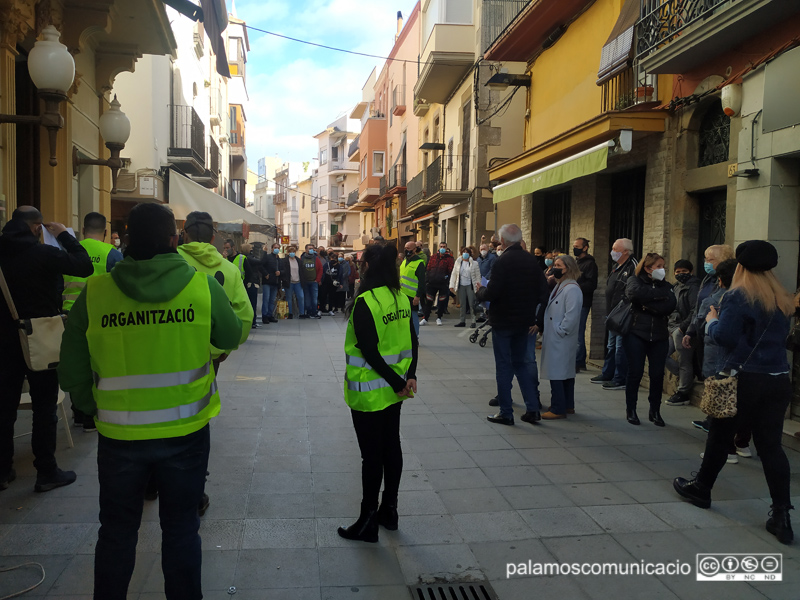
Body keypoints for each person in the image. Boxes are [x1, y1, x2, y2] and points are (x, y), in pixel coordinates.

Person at [58, 202, 242, 597]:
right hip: (186, 434)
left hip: (120, 438)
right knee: (180, 530)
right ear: (175, 240)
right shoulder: (201, 285)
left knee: (116, 533)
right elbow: (229, 337)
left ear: (124, 241)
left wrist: (92, 409)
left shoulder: (95, 293)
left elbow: (71, 371)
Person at [673, 241, 795, 545]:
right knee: (770, 446)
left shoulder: (738, 295)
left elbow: (725, 337)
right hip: (778, 379)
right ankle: (781, 514)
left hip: (744, 378)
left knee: (720, 434)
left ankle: (701, 487)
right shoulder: (782, 298)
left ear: (739, 265)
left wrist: (711, 321)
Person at [0, 207, 92, 493]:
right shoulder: (42, 254)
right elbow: (83, 265)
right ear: (37, 228)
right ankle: (46, 470)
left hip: (3, 341)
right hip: (39, 336)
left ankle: (2, 470)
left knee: (3, 406)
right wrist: (65, 235)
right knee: (44, 406)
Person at [338, 243, 418, 543]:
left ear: (369, 266)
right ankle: (390, 510)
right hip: (394, 391)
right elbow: (413, 339)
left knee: (371, 456)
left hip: (371, 392)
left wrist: (397, 380)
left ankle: (368, 520)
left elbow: (369, 351)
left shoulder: (366, 301)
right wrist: (408, 376)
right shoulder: (400, 297)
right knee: (391, 448)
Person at [477, 224, 549, 426]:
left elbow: (493, 292)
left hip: (504, 322)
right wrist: (536, 318)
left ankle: (506, 412)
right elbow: (543, 292)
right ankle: (532, 409)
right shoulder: (532, 261)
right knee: (522, 365)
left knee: (503, 365)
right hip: (525, 322)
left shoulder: (503, 261)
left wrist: (480, 290)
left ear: (503, 240)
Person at [62, 212, 124, 431]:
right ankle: (91, 415)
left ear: (83, 229)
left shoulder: (69, 251)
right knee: (96, 361)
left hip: (68, 315)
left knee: (75, 359)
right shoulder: (112, 254)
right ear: (106, 233)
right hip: (100, 315)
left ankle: (78, 413)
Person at [177, 212, 252, 357]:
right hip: (215, 352)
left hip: (178, 348)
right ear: (212, 238)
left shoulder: (172, 263)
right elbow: (246, 315)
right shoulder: (231, 270)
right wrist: (228, 346)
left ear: (184, 235)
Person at [623, 252, 676, 426]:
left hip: (659, 335)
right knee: (635, 372)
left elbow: (670, 304)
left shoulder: (666, 285)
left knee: (657, 374)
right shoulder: (635, 280)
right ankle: (631, 409)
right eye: (659, 266)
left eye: (663, 266)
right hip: (637, 332)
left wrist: (648, 303)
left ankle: (655, 410)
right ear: (648, 268)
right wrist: (657, 297)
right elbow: (634, 294)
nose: (662, 270)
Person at [539, 255, 583, 419]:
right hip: (557, 336)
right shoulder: (561, 285)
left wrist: (561, 330)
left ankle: (558, 408)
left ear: (568, 268)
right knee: (563, 371)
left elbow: (571, 315)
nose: (555, 268)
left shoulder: (572, 289)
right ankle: (567, 404)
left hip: (562, 337)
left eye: (559, 265)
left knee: (558, 372)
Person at [592, 239, 638, 390]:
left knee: (620, 346)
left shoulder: (632, 266)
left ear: (626, 251)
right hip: (612, 313)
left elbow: (634, 288)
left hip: (623, 314)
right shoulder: (616, 266)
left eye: (615, 249)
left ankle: (620, 377)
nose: (612, 252)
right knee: (611, 345)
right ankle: (608, 373)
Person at [680, 244, 735, 357]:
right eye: (705, 259)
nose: (706, 263)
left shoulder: (727, 281)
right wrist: (690, 331)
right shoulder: (707, 279)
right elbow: (698, 308)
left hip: (714, 334)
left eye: (710, 260)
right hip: (701, 332)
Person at [664, 259, 701, 405]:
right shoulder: (676, 286)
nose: (680, 274)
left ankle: (683, 392)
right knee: (662, 354)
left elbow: (694, 310)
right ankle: (686, 377)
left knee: (684, 359)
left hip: (683, 329)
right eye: (678, 272)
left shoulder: (693, 288)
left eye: (684, 271)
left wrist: (683, 327)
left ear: (691, 272)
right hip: (672, 327)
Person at [573, 238, 598, 372]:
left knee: (578, 332)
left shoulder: (589, 264)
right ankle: (580, 360)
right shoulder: (577, 262)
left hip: (583, 302)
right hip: (574, 301)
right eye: (574, 246)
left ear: (585, 248)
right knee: (576, 332)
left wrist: (575, 286)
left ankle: (577, 362)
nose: (574, 248)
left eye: (577, 246)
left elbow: (591, 284)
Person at [224, 240, 260, 329]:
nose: (225, 250)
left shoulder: (242, 258)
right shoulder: (224, 258)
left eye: (227, 248)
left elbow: (249, 273)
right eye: (224, 248)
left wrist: (244, 283)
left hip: (241, 286)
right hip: (229, 287)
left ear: (233, 248)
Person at [421, 241, 454, 326]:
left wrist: (447, 281)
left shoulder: (449, 258)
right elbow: (428, 268)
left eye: (444, 247)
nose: (442, 248)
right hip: (432, 282)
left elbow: (451, 271)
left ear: (446, 248)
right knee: (429, 301)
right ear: (438, 247)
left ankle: (439, 318)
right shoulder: (433, 257)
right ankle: (425, 318)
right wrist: (427, 280)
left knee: (441, 301)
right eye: (441, 246)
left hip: (443, 283)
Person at [449, 246, 481, 328]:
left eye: (467, 252)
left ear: (470, 254)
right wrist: (451, 285)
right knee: (462, 304)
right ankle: (462, 320)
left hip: (470, 285)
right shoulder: (458, 262)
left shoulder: (474, 263)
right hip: (461, 285)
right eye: (464, 252)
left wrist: (478, 286)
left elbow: (478, 275)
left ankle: (473, 320)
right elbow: (454, 274)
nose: (465, 254)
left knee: (472, 304)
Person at [400, 241, 426, 336]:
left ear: (415, 250)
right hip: (402, 294)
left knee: (413, 316)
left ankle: (415, 336)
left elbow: (422, 282)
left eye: (409, 248)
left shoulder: (419, 263)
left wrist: (418, 296)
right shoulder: (404, 261)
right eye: (405, 248)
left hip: (412, 295)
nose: (406, 250)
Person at [281, 245, 306, 318]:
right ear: (288, 252)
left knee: (301, 297)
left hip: (298, 282)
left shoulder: (299, 261)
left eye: (293, 252)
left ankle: (302, 313)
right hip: (289, 282)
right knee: (289, 298)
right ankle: (290, 313)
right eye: (290, 252)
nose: (292, 253)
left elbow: (302, 271)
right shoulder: (285, 261)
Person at [259, 242, 282, 323]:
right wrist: (265, 274)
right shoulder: (268, 257)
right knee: (266, 299)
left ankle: (270, 315)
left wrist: (280, 273)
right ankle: (264, 316)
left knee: (272, 300)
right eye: (275, 247)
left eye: (278, 248)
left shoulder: (278, 259)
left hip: (275, 282)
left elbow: (282, 270)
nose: (276, 249)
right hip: (267, 281)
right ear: (272, 249)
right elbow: (260, 265)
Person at [301, 244, 323, 319]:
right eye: (310, 248)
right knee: (307, 299)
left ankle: (314, 312)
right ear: (306, 250)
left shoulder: (316, 258)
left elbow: (320, 269)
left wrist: (317, 279)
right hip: (305, 282)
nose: (311, 250)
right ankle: (308, 312)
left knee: (314, 299)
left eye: (312, 249)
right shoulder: (302, 259)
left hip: (314, 282)